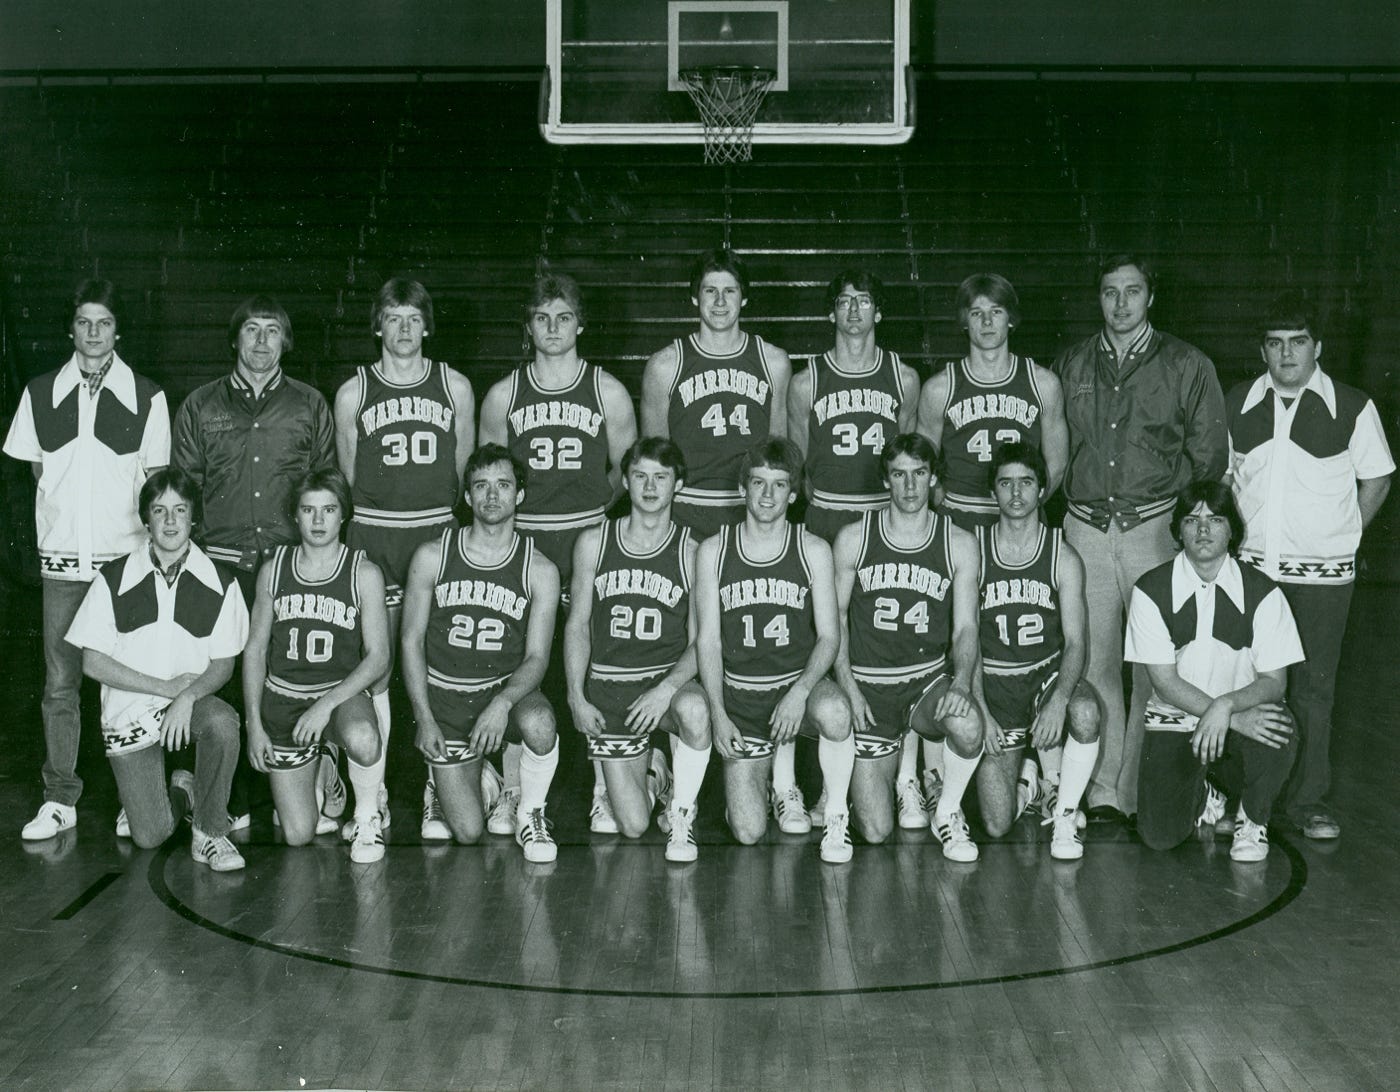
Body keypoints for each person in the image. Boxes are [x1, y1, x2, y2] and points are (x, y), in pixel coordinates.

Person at [1055, 254, 1227, 824]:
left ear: (1151, 296)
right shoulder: (1071, 363)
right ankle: (1104, 791)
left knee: (1153, 666)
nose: (1121, 303)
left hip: (1154, 528)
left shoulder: (1187, 363)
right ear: (1098, 298)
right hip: (1085, 526)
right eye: (1110, 292)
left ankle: (1138, 793)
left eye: (1132, 291)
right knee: (1093, 662)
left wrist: (1181, 529)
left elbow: (1209, 459)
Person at [4, 279, 170, 841]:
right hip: (62, 569)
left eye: (104, 322)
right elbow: (38, 472)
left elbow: (156, 485)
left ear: (118, 331)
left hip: (124, 567)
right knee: (61, 684)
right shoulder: (40, 392)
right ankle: (60, 799)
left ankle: (133, 795)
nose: (94, 332)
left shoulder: (147, 396)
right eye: (84, 322)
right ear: (70, 329)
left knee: (130, 684)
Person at [1225, 290, 1393, 840]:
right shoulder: (1238, 402)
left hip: (1323, 584)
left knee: (1312, 692)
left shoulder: (1353, 406)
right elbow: (1224, 478)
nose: (1286, 354)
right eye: (1275, 343)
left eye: (1297, 342)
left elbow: (1377, 479)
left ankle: (1307, 802)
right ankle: (1247, 799)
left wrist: (1343, 535)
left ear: (1316, 347)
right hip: (1252, 576)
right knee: (1248, 686)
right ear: (1263, 349)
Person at [478, 271, 637, 836]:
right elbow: (491, 477)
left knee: (600, 659)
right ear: (528, 326)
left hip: (588, 537)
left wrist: (590, 514)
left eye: (563, 318)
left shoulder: (607, 391)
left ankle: (605, 786)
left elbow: (627, 473)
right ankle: (513, 787)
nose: (552, 328)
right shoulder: (504, 395)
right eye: (542, 318)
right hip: (524, 541)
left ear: (580, 325)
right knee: (514, 657)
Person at [173, 293, 336, 828]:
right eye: (251, 330)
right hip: (221, 565)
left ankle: (298, 788)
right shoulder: (201, 405)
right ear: (235, 339)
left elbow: (326, 485)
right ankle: (228, 798)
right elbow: (184, 490)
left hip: (289, 567)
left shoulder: (309, 404)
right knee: (220, 682)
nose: (262, 341)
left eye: (272, 330)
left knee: (285, 675)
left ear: (285, 341)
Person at [333, 278, 475, 841]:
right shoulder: (354, 392)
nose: (404, 329)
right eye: (393, 318)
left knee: (438, 663)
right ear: (378, 325)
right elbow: (349, 476)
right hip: (375, 533)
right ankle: (374, 798)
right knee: (377, 667)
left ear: (427, 326)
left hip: (434, 533)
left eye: (414, 318)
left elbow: (462, 474)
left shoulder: (454, 386)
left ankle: (437, 788)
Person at [63, 468, 249, 869]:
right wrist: (165, 689)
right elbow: (92, 661)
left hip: (189, 704)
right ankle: (183, 791)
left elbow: (224, 664)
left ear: (193, 517)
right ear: (146, 518)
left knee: (222, 723)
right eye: (159, 510)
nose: (170, 521)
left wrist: (186, 697)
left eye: (180, 510)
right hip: (130, 711)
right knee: (150, 836)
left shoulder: (221, 582)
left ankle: (210, 832)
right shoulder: (113, 578)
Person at [693, 439, 855, 863]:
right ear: (741, 489)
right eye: (758, 483)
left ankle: (835, 816)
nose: (768, 495)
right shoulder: (713, 550)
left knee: (836, 711)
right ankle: (771, 785)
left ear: (794, 493)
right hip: (742, 697)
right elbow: (708, 641)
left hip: (795, 688)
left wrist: (800, 692)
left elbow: (829, 637)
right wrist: (718, 713)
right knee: (748, 831)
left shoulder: (813, 549)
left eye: (779, 484)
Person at [399, 444, 562, 863]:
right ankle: (470, 781)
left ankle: (530, 811)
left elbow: (538, 658)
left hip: (503, 693)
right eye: (481, 486)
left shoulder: (539, 569)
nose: (492, 495)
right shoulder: (432, 556)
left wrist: (502, 703)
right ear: (468, 496)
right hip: (447, 698)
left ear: (519, 495)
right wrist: (424, 717)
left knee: (540, 722)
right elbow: (411, 641)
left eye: (503, 485)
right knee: (468, 833)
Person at [1126, 482, 1303, 862]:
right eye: (1192, 520)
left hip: (1239, 714)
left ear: (1232, 530)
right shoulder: (1150, 590)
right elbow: (1165, 683)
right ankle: (1207, 792)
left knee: (1280, 729)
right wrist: (1225, 714)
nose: (1203, 529)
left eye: (1215, 519)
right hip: (1177, 719)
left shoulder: (1264, 592)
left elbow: (1275, 682)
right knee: (1159, 837)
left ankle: (1252, 821)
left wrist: (1227, 707)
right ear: (1178, 531)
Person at [831, 433, 985, 861]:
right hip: (870, 687)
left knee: (968, 724)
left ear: (933, 477)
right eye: (899, 475)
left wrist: (962, 683)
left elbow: (966, 627)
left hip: (925, 683)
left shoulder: (959, 542)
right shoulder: (854, 538)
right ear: (886, 480)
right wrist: (848, 685)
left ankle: (947, 812)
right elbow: (835, 622)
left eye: (919, 474)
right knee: (876, 831)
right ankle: (892, 781)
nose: (910, 486)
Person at [563, 437, 711, 862]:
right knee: (631, 825)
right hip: (611, 688)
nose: (649, 487)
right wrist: (575, 695)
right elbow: (577, 625)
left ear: (677, 485)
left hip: (664, 685)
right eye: (640, 476)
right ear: (625, 481)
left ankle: (681, 813)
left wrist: (666, 689)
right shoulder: (594, 542)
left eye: (660, 478)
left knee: (694, 710)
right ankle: (655, 773)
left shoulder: (691, 550)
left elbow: (702, 642)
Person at [242, 469, 392, 864]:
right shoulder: (274, 569)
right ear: (296, 515)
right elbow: (255, 650)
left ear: (344, 514)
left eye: (329, 509)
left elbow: (379, 656)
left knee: (363, 737)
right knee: (297, 834)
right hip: (285, 699)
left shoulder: (363, 572)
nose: (319, 520)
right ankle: (325, 765)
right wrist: (254, 725)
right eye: (309, 510)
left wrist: (325, 706)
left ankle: (366, 816)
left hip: (340, 698)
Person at [970, 443, 1101, 860]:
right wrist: (980, 708)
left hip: (1044, 677)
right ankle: (1031, 781)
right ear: (992, 491)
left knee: (1085, 712)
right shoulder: (973, 550)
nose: (1016, 493)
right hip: (995, 687)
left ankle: (1064, 813)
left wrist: (1059, 701)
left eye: (1026, 482)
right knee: (996, 824)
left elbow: (1076, 642)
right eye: (1005, 483)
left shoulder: (1062, 555)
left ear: (1042, 490)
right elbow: (964, 639)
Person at [641, 248, 792, 539]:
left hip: (751, 509)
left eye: (730, 291)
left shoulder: (773, 362)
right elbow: (655, 463)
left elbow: (778, 453)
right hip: (686, 509)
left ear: (744, 297)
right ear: (695, 297)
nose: (720, 301)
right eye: (710, 291)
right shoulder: (665, 365)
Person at [917, 273, 1067, 527]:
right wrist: (943, 501)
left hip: (1021, 519)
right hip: (960, 514)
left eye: (996, 311)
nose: (987, 321)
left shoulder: (1043, 383)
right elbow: (921, 462)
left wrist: (1027, 506)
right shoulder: (940, 388)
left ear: (1011, 318)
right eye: (976, 313)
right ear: (964, 321)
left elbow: (1058, 463)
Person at [787, 268, 919, 543]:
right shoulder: (805, 382)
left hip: (884, 511)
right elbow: (801, 466)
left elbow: (906, 453)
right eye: (845, 301)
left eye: (865, 300)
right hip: (828, 510)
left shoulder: (904, 379)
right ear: (832, 314)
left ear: (878, 313)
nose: (855, 309)